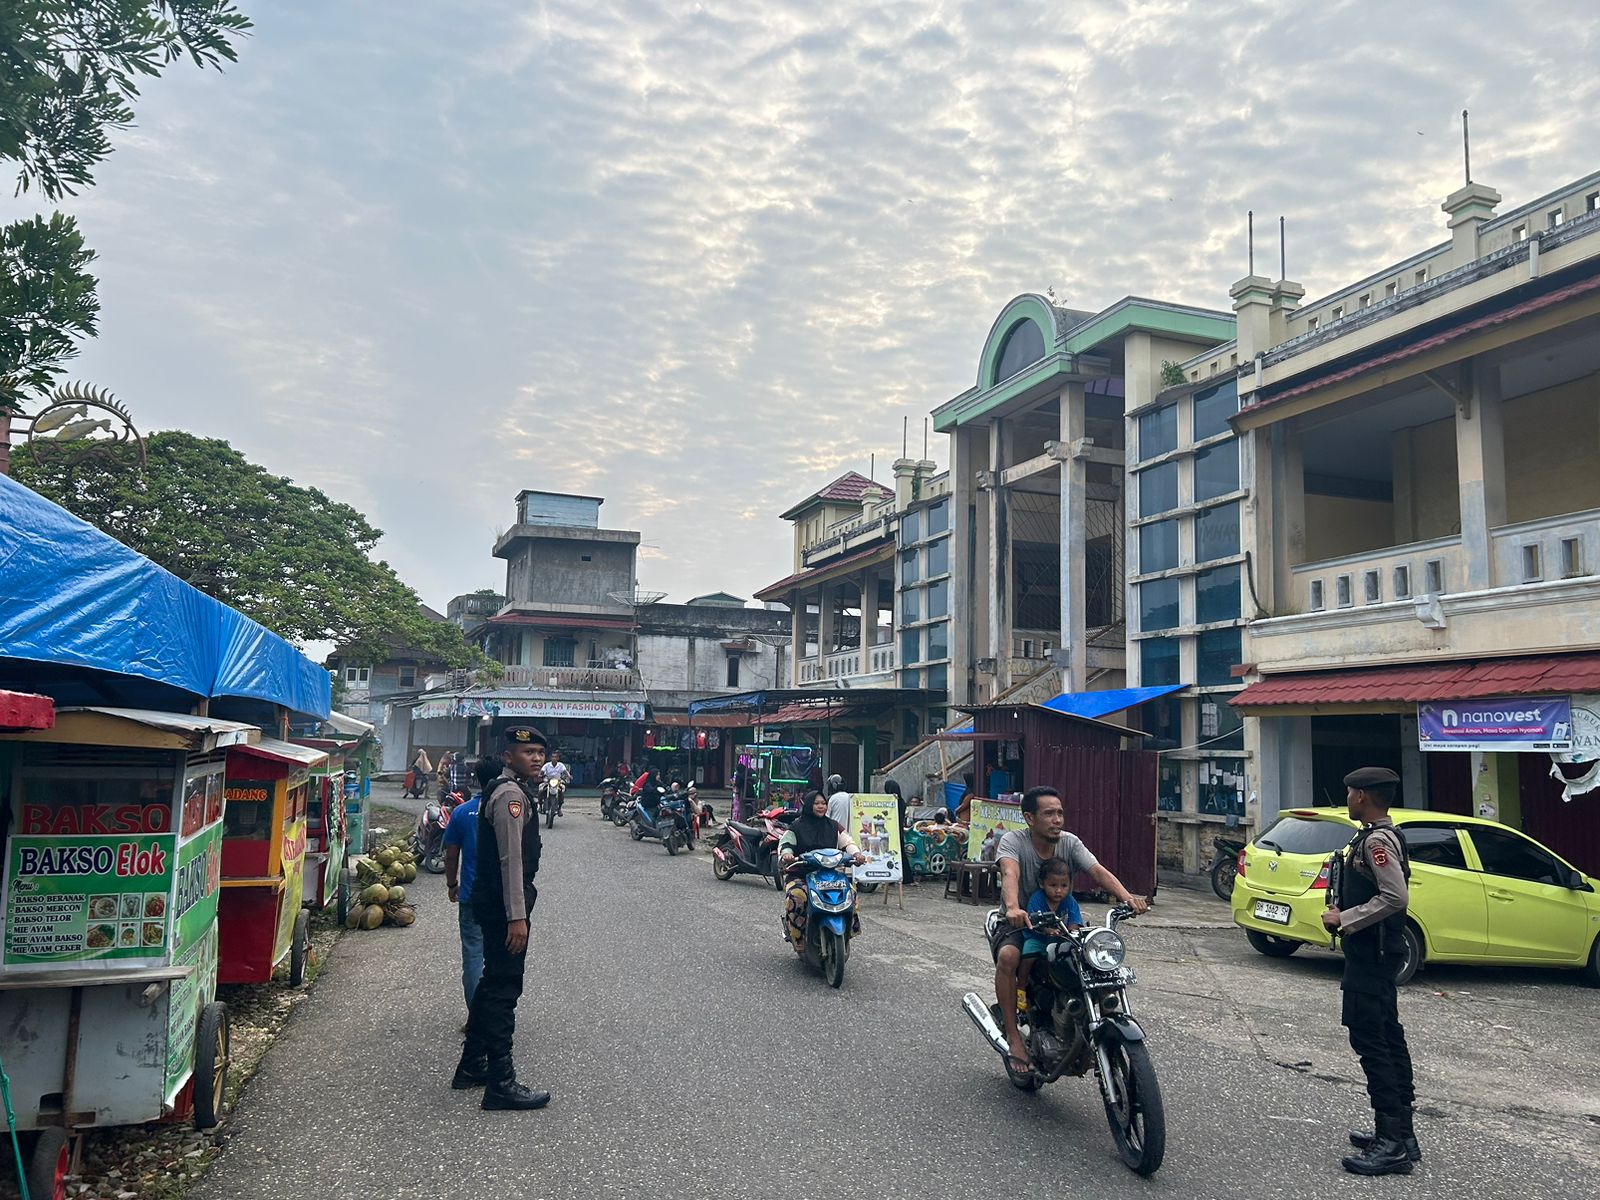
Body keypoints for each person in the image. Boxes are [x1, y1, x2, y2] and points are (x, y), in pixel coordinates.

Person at [992, 785, 1148, 1074]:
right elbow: (1009, 872)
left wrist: (1128, 898)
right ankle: (1014, 1037)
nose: (1057, 820)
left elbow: (1097, 870)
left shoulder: (1070, 843)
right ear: (1030, 818)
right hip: (1021, 923)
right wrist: (1013, 907)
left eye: (1060, 813)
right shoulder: (1013, 841)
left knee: (1097, 966)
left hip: (1063, 923)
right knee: (1009, 958)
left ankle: (1095, 1028)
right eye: (1049, 814)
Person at [1321, 766, 1417, 1176]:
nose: (1347, 799)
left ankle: (1391, 1142)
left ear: (1361, 796)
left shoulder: (1378, 840)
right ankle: (1401, 1133)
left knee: (1372, 1041)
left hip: (1373, 955)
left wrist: (1346, 918)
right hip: (1375, 954)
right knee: (1388, 1037)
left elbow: (1395, 897)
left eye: (1349, 793)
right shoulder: (1373, 835)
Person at [452, 726, 550, 1111]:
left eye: (541, 752)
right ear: (509, 757)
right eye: (528, 751)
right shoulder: (510, 795)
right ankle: (501, 1082)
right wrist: (517, 918)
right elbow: (511, 862)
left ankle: (471, 1065)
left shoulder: (503, 788)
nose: (537, 758)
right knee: (504, 988)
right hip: (502, 905)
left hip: (489, 901)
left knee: (492, 983)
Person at [777, 789, 866, 952]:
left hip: (830, 875)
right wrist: (787, 854)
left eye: (824, 803)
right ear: (809, 805)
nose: (821, 807)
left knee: (850, 894)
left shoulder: (833, 826)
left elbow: (847, 842)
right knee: (797, 896)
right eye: (817, 803)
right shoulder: (796, 826)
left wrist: (857, 854)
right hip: (801, 874)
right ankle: (796, 935)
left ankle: (849, 930)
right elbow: (786, 844)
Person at [444, 757, 501, 1013]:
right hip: (501, 898)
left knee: (473, 957)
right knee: (498, 959)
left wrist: (451, 884)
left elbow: (451, 855)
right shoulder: (507, 810)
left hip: (470, 897)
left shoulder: (461, 812)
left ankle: (476, 1017)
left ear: (476, 780)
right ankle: (496, 1015)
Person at [1020, 857, 1084, 960]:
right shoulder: (1037, 899)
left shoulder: (1070, 901)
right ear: (1042, 883)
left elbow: (1074, 921)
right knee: (1028, 956)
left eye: (1064, 886)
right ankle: (1022, 976)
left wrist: (1071, 932)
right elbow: (1033, 922)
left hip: (1063, 941)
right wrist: (1048, 930)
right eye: (1053, 885)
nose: (1058, 890)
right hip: (1038, 939)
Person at [540, 749, 571, 814]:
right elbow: (542, 771)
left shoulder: (561, 765)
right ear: (550, 758)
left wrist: (568, 775)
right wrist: (540, 774)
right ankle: (540, 806)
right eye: (552, 757)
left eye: (555, 757)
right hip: (548, 780)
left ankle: (559, 808)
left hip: (558, 781)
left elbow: (565, 771)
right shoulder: (547, 765)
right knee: (540, 789)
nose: (554, 758)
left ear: (558, 758)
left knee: (562, 790)